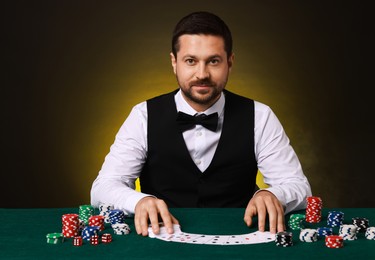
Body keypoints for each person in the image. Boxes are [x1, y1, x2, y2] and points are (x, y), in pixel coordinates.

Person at [91, 11, 311, 237]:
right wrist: (139, 200)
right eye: (190, 61)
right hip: (161, 241)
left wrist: (273, 195)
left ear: (230, 63)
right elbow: (102, 189)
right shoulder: (142, 115)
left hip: (240, 240)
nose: (202, 74)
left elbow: (300, 188)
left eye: (213, 61)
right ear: (174, 62)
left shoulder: (260, 115)